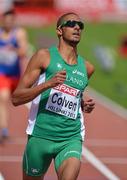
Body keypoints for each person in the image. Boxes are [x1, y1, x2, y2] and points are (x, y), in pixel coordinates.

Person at [12, 12, 95, 180]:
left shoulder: (87, 68)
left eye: (80, 25)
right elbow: (16, 98)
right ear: (59, 30)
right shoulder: (44, 57)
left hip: (70, 138)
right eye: (71, 23)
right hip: (40, 136)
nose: (77, 27)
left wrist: (82, 104)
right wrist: (47, 84)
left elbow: (73, 95)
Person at [0, 9, 28, 142]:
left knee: (22, 101)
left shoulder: (19, 34)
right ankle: (4, 129)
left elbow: (23, 52)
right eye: (6, 21)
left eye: (11, 21)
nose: (8, 23)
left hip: (16, 75)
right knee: (3, 98)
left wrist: (14, 49)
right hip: (2, 74)